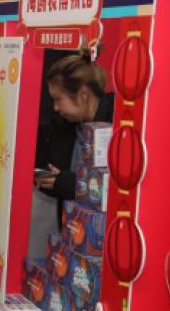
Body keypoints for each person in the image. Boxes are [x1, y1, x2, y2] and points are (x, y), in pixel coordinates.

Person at [34, 48, 114, 222]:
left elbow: (112, 192)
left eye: (58, 99)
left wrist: (72, 185)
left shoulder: (116, 124)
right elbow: (49, 175)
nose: (55, 107)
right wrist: (51, 179)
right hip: (72, 229)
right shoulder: (65, 127)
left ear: (83, 94)